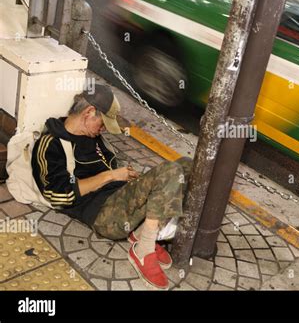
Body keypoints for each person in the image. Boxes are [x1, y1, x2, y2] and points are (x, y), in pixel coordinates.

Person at [31, 84, 192, 289]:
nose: (104, 128)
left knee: (186, 165)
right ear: (89, 112)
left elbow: (111, 167)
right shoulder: (51, 144)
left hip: (120, 198)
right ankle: (143, 250)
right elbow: (57, 195)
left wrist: (128, 179)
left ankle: (141, 232)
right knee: (170, 172)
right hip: (102, 215)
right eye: (103, 123)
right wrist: (110, 176)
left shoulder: (93, 136)